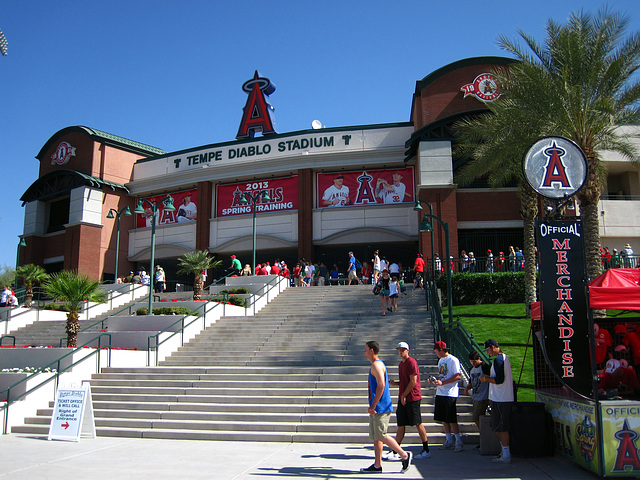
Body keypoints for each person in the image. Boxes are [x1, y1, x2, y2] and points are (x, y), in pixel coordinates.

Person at [361, 341, 412, 474]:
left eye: (366, 349)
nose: (364, 352)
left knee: (381, 435)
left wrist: (373, 405)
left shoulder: (377, 365)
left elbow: (381, 385)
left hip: (380, 407)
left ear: (372, 350)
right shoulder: (376, 364)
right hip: (378, 406)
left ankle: (404, 455)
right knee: (377, 436)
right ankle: (377, 465)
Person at [384, 342, 431, 461]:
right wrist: (396, 384)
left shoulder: (411, 362)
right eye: (399, 350)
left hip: (413, 397)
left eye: (403, 350)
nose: (401, 352)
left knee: (417, 423)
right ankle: (396, 450)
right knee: (400, 424)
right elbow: (404, 381)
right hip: (403, 397)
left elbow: (413, 381)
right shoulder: (401, 364)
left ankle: (426, 449)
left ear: (408, 350)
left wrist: (404, 395)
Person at [481, 339, 514, 464]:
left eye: (488, 349)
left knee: (502, 426)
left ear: (493, 347)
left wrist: (485, 378)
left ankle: (506, 454)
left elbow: (499, 380)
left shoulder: (500, 359)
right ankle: (503, 452)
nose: (488, 352)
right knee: (498, 426)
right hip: (499, 398)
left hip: (502, 398)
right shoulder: (500, 359)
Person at [428, 340, 463, 452]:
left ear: (441, 350)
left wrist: (443, 383)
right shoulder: (441, 361)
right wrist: (436, 381)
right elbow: (442, 375)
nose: (436, 354)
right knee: (443, 418)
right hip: (441, 392)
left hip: (450, 393)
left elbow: (457, 376)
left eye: (436, 351)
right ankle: (449, 439)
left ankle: (458, 440)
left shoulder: (453, 360)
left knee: (451, 418)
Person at [464, 351, 491, 432]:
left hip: (483, 396)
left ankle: (485, 434)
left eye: (474, 361)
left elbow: (491, 381)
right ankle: (484, 435)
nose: (473, 363)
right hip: (476, 396)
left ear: (479, 359)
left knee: (476, 418)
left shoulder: (485, 367)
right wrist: (467, 388)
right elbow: (471, 382)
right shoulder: (471, 369)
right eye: (471, 362)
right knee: (479, 418)